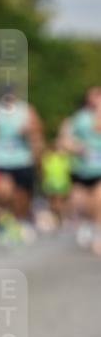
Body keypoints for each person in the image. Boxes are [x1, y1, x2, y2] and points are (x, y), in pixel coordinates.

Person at [0, 87, 44, 240]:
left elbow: (38, 129)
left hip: (22, 159)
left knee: (22, 194)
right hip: (1, 159)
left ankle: (22, 220)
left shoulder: (25, 110)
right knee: (4, 192)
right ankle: (7, 220)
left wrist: (29, 130)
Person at [62, 86, 101, 254]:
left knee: (99, 199)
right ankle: (87, 223)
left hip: (99, 168)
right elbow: (65, 139)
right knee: (81, 202)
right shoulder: (79, 118)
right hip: (82, 167)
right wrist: (75, 147)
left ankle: (98, 231)